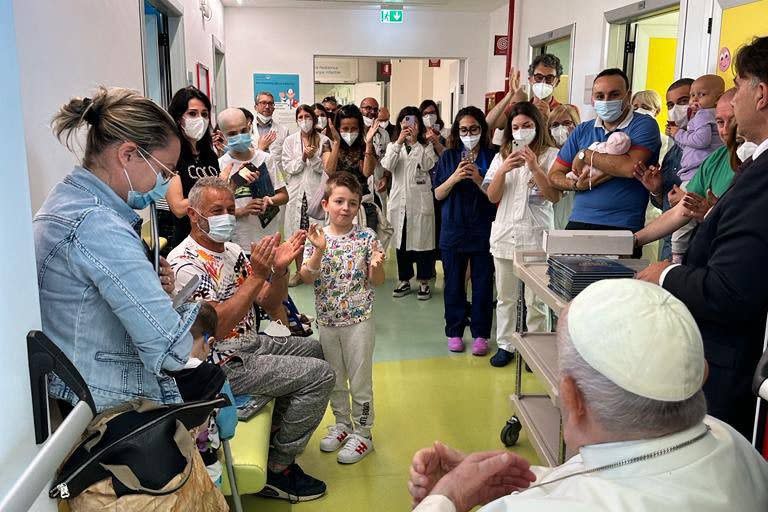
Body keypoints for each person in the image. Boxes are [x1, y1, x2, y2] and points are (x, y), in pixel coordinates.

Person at [409, 279, 768, 512]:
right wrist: (501, 479)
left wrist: (450, 496)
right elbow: (620, 474)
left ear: (573, 398)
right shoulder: (735, 445)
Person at [168, 177, 334, 501]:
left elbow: (270, 303)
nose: (227, 216)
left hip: (249, 344)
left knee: (314, 349)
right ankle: (279, 469)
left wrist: (281, 270)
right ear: (193, 214)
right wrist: (258, 275)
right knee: (321, 376)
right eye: (217, 210)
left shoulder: (231, 251)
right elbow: (212, 329)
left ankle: (278, 435)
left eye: (231, 209)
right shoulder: (184, 265)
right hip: (221, 363)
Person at [34, 86, 198, 412]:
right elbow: (170, 348)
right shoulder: (97, 225)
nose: (163, 184)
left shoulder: (67, 200)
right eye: (163, 171)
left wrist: (148, 283)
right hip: (102, 405)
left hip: (72, 390)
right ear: (127, 154)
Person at [637, 36, 768, 439]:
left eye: (739, 83)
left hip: (732, 364)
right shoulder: (748, 165)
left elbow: (729, 289)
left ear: (760, 93)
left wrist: (664, 275)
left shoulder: (762, 179)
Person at [299, 173, 386, 464]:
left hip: (359, 321)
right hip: (327, 321)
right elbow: (306, 277)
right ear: (326, 204)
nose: (345, 208)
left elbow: (378, 280)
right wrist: (319, 252)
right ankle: (342, 424)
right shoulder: (317, 237)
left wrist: (375, 266)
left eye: (352, 203)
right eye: (339, 201)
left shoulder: (366, 237)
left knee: (360, 380)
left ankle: (363, 432)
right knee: (335, 378)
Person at [547, 68, 661, 256]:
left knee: (614, 285)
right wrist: (575, 184)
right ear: (593, 99)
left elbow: (629, 167)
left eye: (614, 94)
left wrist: (586, 154)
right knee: (572, 284)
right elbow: (554, 175)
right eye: (600, 95)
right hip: (579, 222)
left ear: (628, 96)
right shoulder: (583, 130)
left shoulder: (644, 125)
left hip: (622, 226)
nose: (606, 101)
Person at [483, 102, 560, 367]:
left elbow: (554, 196)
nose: (521, 131)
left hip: (537, 237)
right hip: (506, 235)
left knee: (536, 298)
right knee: (506, 297)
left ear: (538, 126)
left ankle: (535, 348)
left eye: (527, 125)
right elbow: (492, 196)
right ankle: (506, 344)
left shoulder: (552, 155)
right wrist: (504, 169)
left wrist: (536, 168)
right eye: (515, 127)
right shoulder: (502, 155)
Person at [634, 89, 739, 250]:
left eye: (733, 121)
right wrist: (632, 241)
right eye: (719, 122)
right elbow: (678, 211)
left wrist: (711, 212)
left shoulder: (755, 160)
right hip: (684, 250)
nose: (725, 130)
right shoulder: (716, 158)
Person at [433, 106, 497, 355]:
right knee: (454, 284)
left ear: (482, 130)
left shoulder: (493, 156)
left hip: (483, 229)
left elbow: (495, 196)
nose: (468, 134)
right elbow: (438, 194)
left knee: (482, 283)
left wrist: (479, 179)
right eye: (463, 130)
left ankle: (481, 334)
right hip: (453, 230)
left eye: (473, 129)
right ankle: (455, 331)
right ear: (456, 132)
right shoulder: (449, 157)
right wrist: (455, 177)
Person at [380, 106, 438, 300]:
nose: (408, 124)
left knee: (423, 244)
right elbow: (387, 166)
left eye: (412, 121)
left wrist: (416, 143)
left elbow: (429, 164)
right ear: (399, 123)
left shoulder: (426, 145)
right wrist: (398, 142)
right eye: (404, 120)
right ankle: (404, 280)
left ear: (418, 124)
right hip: (399, 203)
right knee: (402, 243)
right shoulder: (393, 146)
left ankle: (424, 282)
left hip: (420, 202)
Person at [667, 74, 725, 263]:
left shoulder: (704, 115)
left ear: (717, 98)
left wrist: (679, 134)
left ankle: (676, 256)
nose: (695, 100)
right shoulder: (705, 116)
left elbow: (701, 141)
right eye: (693, 96)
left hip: (695, 177)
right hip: (695, 176)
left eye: (701, 95)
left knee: (680, 218)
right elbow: (693, 148)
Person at [634, 78, 694, 260]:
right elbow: (665, 204)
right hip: (669, 243)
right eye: (671, 104)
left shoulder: (711, 151)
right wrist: (656, 190)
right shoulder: (672, 152)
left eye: (683, 101)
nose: (676, 109)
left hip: (695, 246)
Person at [217, 107, 288, 255]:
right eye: (232, 134)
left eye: (243, 131)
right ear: (222, 136)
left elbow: (284, 196)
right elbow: (216, 213)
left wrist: (269, 200)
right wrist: (243, 210)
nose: (240, 136)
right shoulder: (221, 165)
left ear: (249, 126)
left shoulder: (265, 159)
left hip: (268, 241)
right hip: (238, 245)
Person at [165, 86, 225, 248]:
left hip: (215, 237)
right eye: (192, 113)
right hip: (187, 241)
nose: (200, 119)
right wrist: (214, 189)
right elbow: (178, 207)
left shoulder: (210, 155)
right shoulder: (172, 156)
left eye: (204, 114)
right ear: (178, 118)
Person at [281, 104, 332, 287]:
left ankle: (314, 270)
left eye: (307, 117)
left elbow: (326, 168)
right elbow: (288, 167)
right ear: (296, 120)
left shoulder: (325, 140)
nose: (304, 121)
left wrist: (313, 158)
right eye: (300, 117)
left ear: (314, 119)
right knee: (297, 233)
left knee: (317, 232)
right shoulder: (290, 141)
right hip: (296, 193)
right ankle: (298, 272)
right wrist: (303, 157)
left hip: (316, 192)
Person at [325, 104, 378, 230]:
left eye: (354, 129)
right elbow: (329, 171)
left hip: (362, 204)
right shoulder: (329, 144)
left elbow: (367, 172)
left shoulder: (364, 146)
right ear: (338, 128)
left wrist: (369, 143)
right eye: (345, 129)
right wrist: (337, 143)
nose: (349, 132)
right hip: (338, 204)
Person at [487, 55, 564, 133]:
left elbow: (566, 142)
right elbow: (488, 124)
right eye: (539, 77)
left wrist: (549, 120)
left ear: (556, 82)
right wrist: (510, 94)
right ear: (530, 80)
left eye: (549, 78)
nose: (543, 82)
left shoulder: (565, 112)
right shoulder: (519, 109)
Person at [547, 104, 581, 230]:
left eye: (567, 123)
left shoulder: (584, 154)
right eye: (555, 125)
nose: (561, 128)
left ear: (577, 125)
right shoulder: (545, 156)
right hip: (549, 217)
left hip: (575, 216)